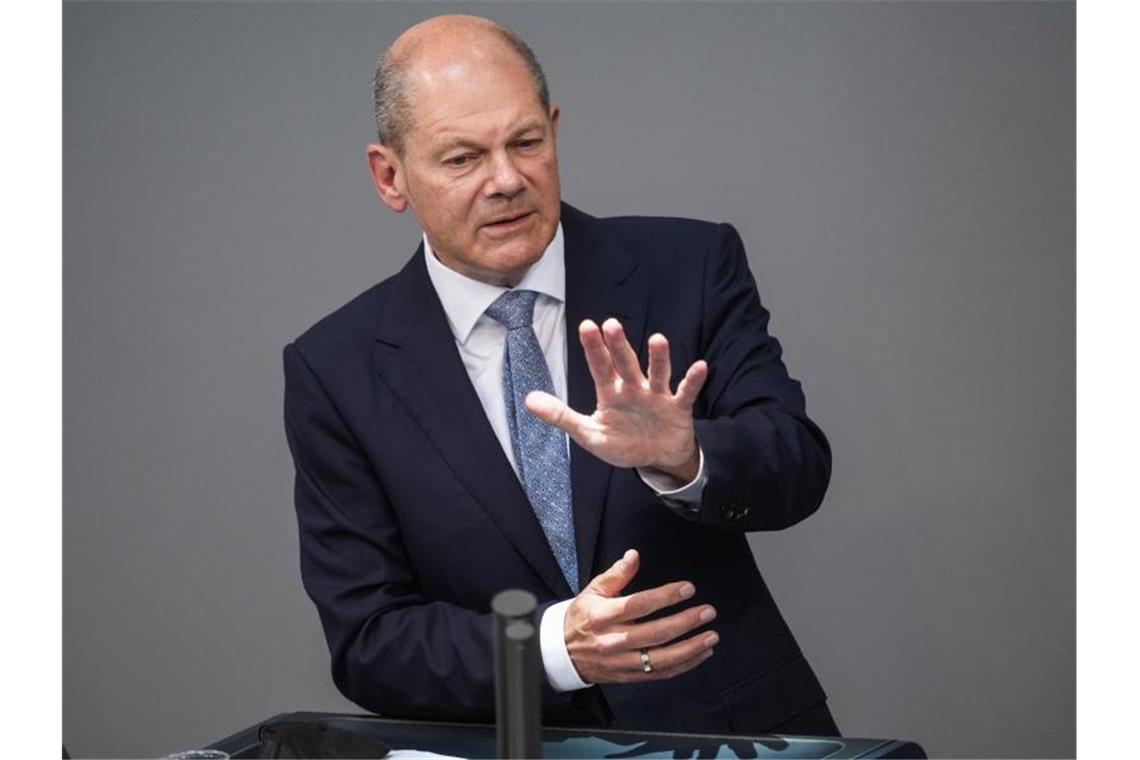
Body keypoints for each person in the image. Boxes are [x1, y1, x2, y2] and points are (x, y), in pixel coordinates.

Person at [283, 14, 838, 737]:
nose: (507, 180)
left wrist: (684, 455)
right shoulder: (336, 371)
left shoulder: (689, 266)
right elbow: (369, 642)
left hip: (736, 735)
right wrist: (551, 647)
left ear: (554, 128)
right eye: (461, 159)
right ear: (391, 177)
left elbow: (798, 464)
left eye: (526, 143)